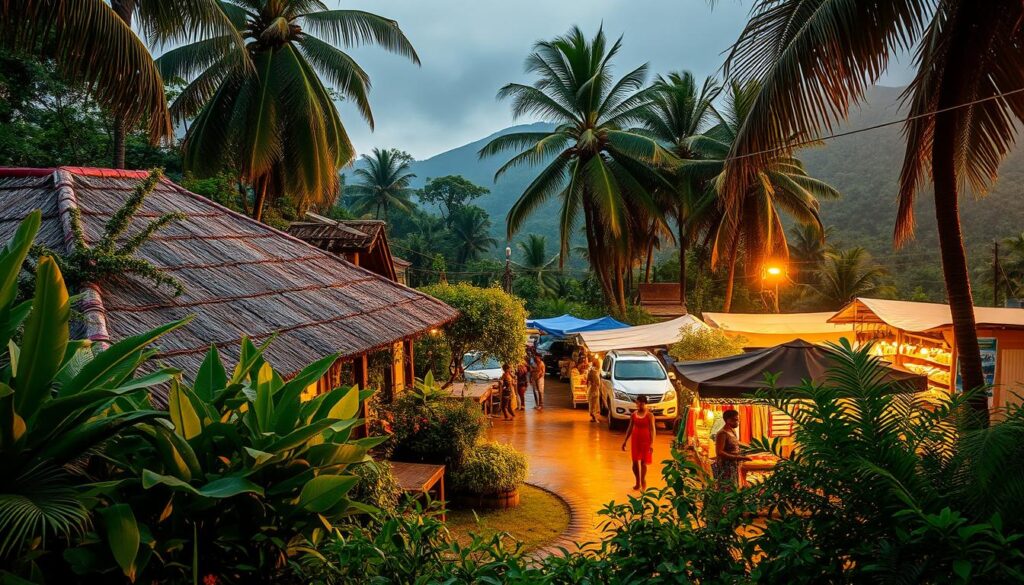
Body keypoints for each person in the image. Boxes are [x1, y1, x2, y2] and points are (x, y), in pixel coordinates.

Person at [621, 395, 656, 490]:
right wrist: (625, 441)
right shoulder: (633, 415)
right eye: (638, 403)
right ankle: (637, 482)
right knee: (635, 462)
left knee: (643, 463)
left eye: (641, 403)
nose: (639, 405)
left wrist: (652, 443)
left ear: (645, 403)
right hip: (635, 440)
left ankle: (643, 480)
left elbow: (652, 430)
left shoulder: (649, 415)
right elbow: (630, 428)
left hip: (646, 440)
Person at [711, 409, 750, 489]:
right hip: (725, 467)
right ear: (728, 420)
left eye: (737, 419)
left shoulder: (732, 430)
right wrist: (740, 457)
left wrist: (750, 447)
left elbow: (736, 442)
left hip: (733, 465)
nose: (737, 422)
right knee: (726, 488)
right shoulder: (722, 433)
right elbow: (719, 452)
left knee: (733, 487)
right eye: (735, 420)